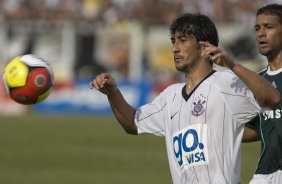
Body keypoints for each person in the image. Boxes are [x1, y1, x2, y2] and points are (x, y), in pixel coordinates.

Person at [89, 13, 280, 184]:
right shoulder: (169, 97)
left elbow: (272, 98)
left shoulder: (226, 83)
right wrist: (113, 93)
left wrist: (232, 64)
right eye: (173, 41)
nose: (174, 48)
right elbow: (132, 123)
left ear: (204, 46)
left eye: (182, 40)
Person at [243, 3, 282, 184]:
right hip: (266, 173)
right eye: (257, 28)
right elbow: (256, 129)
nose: (260, 33)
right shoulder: (258, 80)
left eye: (268, 27)